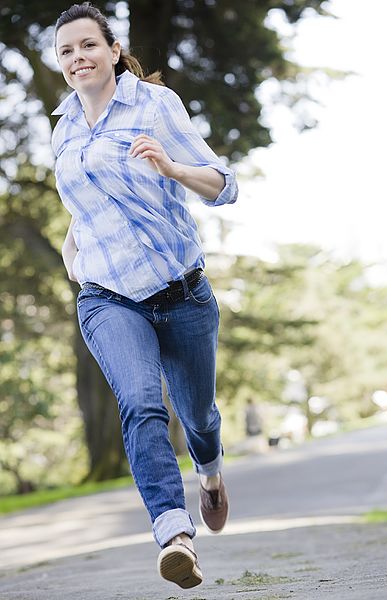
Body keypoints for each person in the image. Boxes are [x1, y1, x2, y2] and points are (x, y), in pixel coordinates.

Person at [52, 2, 237, 589]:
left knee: (198, 416)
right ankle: (174, 535)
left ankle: (210, 477)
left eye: (87, 45)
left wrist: (173, 169)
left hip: (180, 291)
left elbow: (223, 185)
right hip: (108, 296)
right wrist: (73, 251)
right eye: (66, 51)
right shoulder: (63, 127)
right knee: (139, 401)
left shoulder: (156, 105)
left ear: (111, 50)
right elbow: (85, 205)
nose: (77, 58)